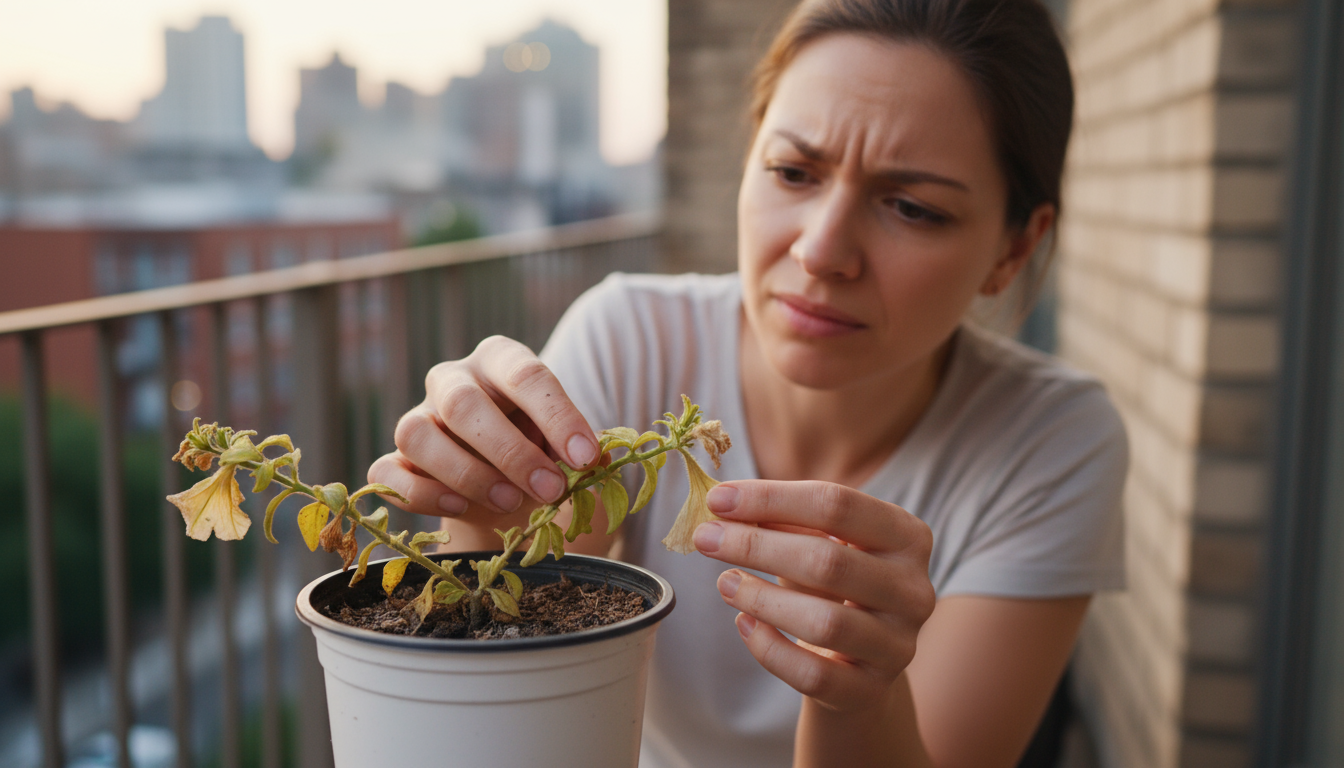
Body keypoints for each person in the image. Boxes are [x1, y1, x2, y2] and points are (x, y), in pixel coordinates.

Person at [368, 0, 1127, 765]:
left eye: (912, 207)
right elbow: (513, 708)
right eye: (793, 171)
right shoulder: (632, 336)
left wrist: (858, 690)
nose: (822, 250)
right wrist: (481, 507)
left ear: (1014, 247)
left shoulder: (1053, 438)